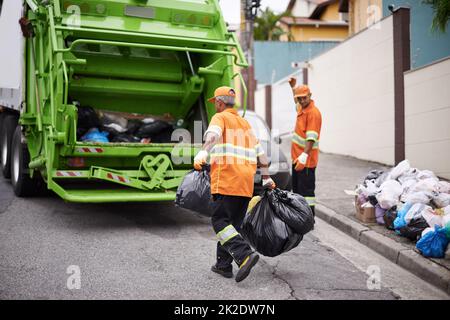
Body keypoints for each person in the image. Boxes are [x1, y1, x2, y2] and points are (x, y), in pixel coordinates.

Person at [193, 86, 276, 282]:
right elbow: (262, 156)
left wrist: (203, 152)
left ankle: (244, 254)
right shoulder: (246, 124)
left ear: (220, 103)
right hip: (245, 184)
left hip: (227, 180)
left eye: (216, 103)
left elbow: (212, 136)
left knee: (220, 222)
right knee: (232, 226)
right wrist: (266, 177)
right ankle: (223, 266)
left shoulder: (220, 118)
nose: (215, 107)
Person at [288, 78, 322, 216]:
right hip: (297, 159)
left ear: (310, 96)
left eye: (304, 98)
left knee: (307, 192)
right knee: (297, 190)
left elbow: (311, 137)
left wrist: (304, 155)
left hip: (306, 161)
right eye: (299, 98)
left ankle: (309, 218)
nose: (301, 101)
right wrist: (293, 88)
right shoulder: (302, 108)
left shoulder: (313, 113)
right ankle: (299, 216)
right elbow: (296, 102)